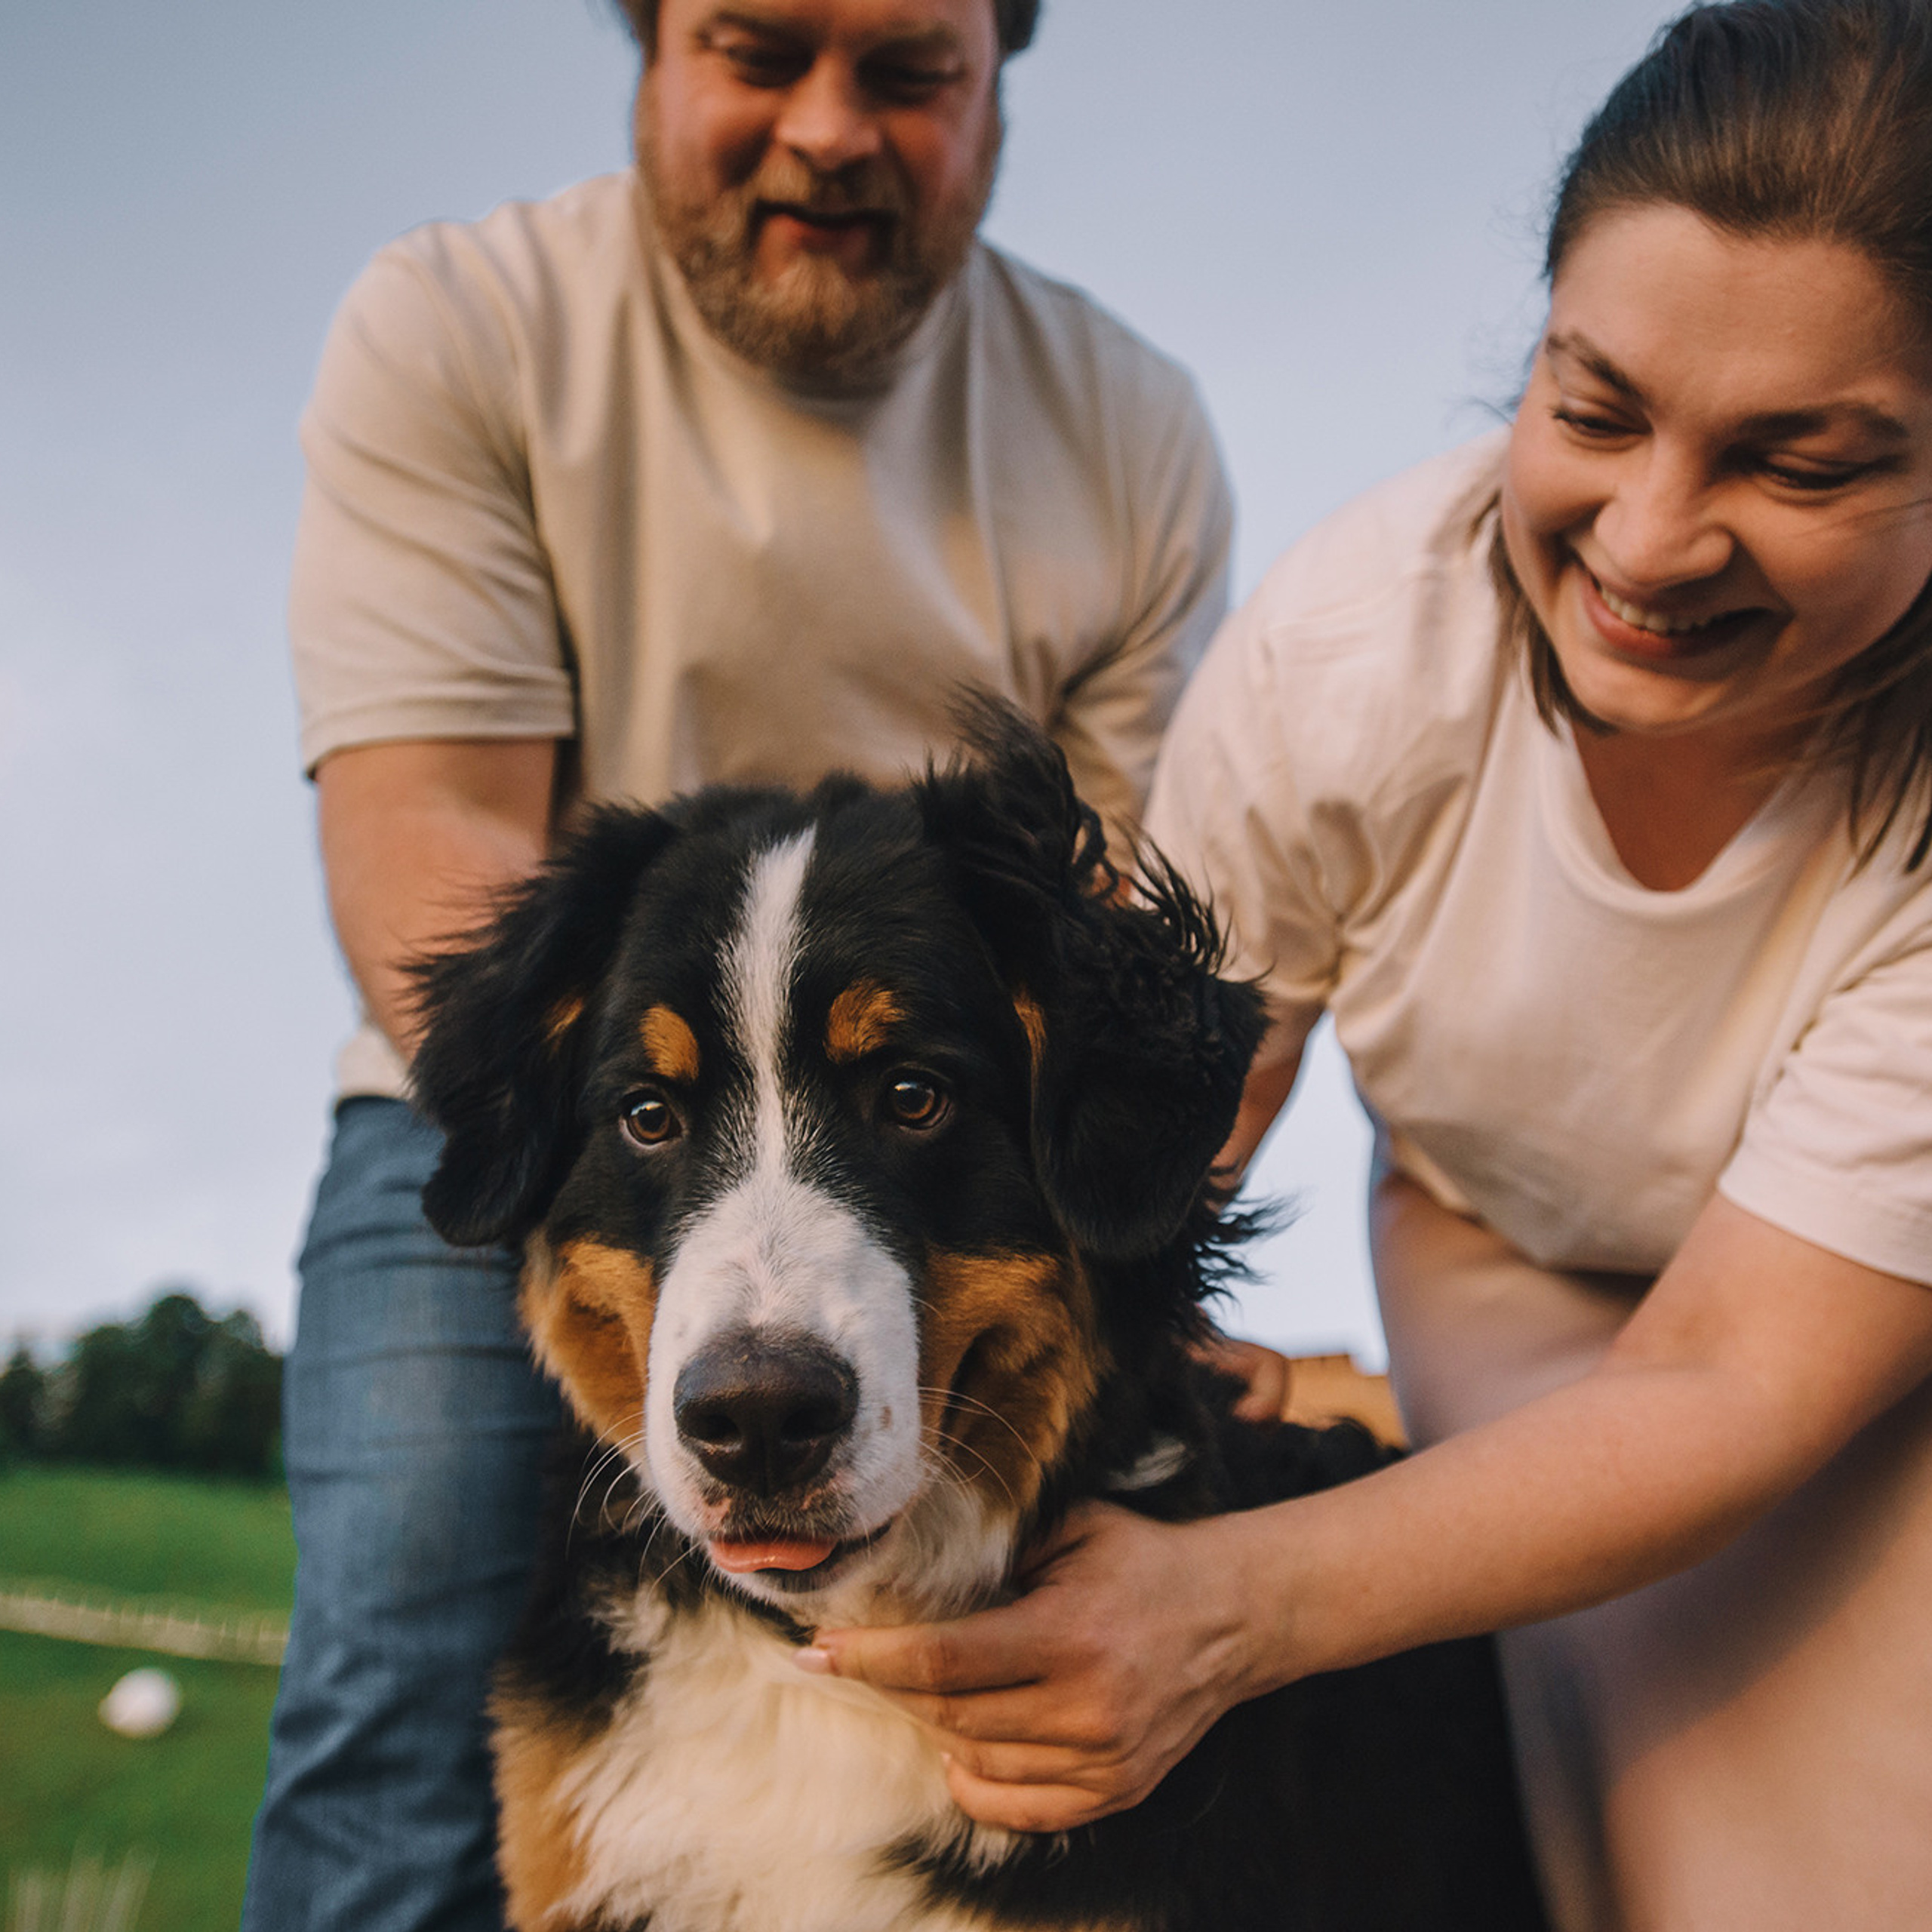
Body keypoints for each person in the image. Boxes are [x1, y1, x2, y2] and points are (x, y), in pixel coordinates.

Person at [801, 4, 1932, 1926]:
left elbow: (1741, 1371)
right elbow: (1168, 1110)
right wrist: (1107, 1370)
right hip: (1507, 1234)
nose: (1647, 540)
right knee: (1675, 1831)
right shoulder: (1354, 656)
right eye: (1591, 411)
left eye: (1797, 463)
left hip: (1841, 1329)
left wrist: (1226, 1611)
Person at [242, 2, 1234, 1926]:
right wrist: (579, 1102)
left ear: (1001, 68)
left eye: (907, 73)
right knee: (402, 1655)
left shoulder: (1128, 427)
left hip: (943, 1126)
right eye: (758, 50)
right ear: (645, 44)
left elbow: (1097, 939)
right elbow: (434, 830)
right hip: (549, 1099)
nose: (825, 131)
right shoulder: (458, 321)